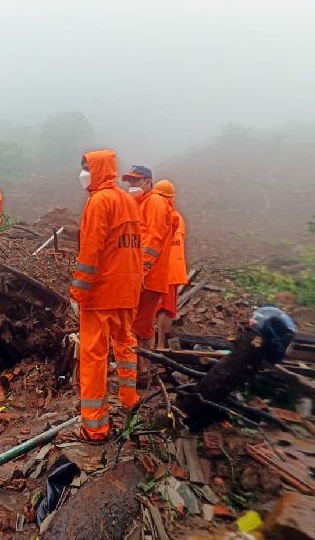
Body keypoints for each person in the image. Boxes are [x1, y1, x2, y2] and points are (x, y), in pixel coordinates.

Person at [68, 150, 142, 443]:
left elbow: (91, 251)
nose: (83, 173)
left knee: (94, 357)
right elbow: (133, 247)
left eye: (87, 168)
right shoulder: (128, 200)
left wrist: (78, 291)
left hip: (101, 295)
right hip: (127, 291)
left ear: (97, 170)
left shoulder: (99, 201)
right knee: (125, 346)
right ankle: (129, 401)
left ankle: (95, 428)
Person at [121, 165, 177, 373]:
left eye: (135, 181)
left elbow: (152, 239)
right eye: (128, 181)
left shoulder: (155, 203)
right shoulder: (144, 203)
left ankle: (139, 372)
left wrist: (141, 270)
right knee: (141, 324)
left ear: (147, 182)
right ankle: (141, 370)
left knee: (137, 325)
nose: (131, 185)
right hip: (147, 277)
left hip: (147, 277)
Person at [153, 180, 187, 350]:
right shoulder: (178, 217)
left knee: (162, 309)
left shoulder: (164, 215)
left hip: (163, 269)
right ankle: (161, 344)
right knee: (165, 309)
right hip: (172, 269)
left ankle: (159, 346)